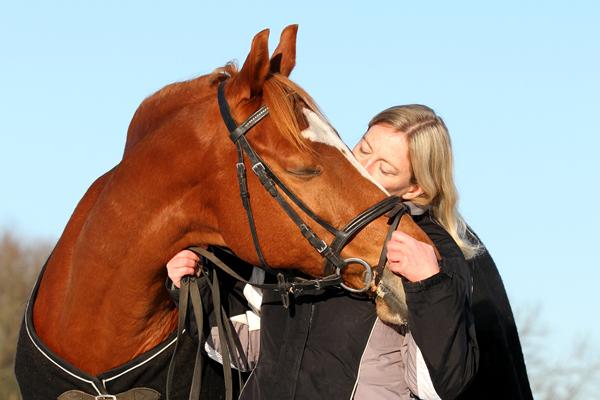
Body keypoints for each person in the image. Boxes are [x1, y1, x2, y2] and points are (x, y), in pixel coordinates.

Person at [167, 105, 532, 399]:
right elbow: (252, 347)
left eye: (386, 169)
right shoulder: (313, 226)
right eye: (363, 149)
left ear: (415, 188)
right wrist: (195, 287)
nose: (363, 168)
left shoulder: (430, 252)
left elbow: (437, 387)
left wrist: (430, 286)